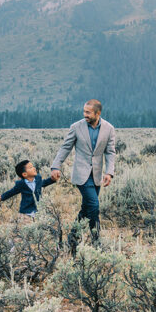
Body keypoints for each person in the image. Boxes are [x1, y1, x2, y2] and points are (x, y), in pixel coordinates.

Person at [50, 99, 115, 250]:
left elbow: (111, 152)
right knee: (94, 206)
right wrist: (56, 166)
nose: (84, 114)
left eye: (88, 112)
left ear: (98, 113)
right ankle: (96, 242)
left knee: (86, 209)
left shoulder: (109, 128)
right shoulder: (76, 127)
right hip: (81, 175)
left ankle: (72, 238)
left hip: (97, 175)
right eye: (84, 111)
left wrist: (109, 173)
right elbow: (65, 147)